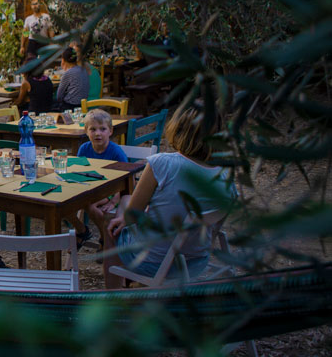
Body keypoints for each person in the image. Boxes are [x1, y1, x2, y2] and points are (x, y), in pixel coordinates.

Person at [102, 105, 232, 289]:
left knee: (112, 225)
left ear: (178, 129)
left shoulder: (163, 163)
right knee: (125, 203)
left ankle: (113, 300)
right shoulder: (226, 174)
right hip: (197, 262)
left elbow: (132, 217)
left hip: (155, 263)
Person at [68, 109, 129, 248]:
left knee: (90, 206)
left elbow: (127, 178)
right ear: (86, 131)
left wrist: (113, 200)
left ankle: (104, 240)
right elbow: (77, 171)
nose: (97, 133)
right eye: (93, 129)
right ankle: (81, 230)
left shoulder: (115, 152)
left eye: (102, 129)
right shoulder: (84, 149)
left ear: (110, 131)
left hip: (111, 191)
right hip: (89, 188)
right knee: (64, 204)